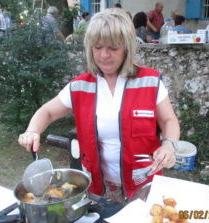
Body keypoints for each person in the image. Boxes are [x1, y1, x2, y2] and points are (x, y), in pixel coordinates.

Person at [18, 8, 180, 203]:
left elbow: (169, 120)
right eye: (97, 47)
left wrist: (169, 145)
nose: (104, 55)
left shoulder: (149, 81)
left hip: (143, 186)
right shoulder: (80, 85)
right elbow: (48, 112)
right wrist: (32, 130)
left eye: (113, 48)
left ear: (127, 47)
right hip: (98, 189)